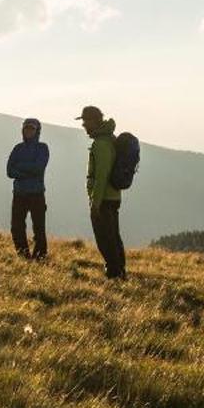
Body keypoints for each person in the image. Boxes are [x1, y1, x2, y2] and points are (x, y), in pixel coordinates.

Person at [78, 103, 126, 279]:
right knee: (113, 236)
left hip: (104, 199)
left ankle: (114, 273)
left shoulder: (101, 143)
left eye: (85, 121)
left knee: (105, 239)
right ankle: (119, 271)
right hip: (113, 196)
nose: (83, 125)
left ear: (93, 121)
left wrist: (95, 203)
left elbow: (101, 176)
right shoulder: (110, 138)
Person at [5, 117, 50, 260]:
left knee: (38, 228)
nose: (28, 131)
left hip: (36, 194)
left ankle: (40, 257)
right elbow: (9, 171)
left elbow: (38, 168)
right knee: (16, 227)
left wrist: (20, 167)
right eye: (26, 128)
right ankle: (24, 256)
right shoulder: (18, 148)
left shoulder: (42, 148)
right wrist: (28, 169)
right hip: (19, 194)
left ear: (37, 131)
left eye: (31, 129)